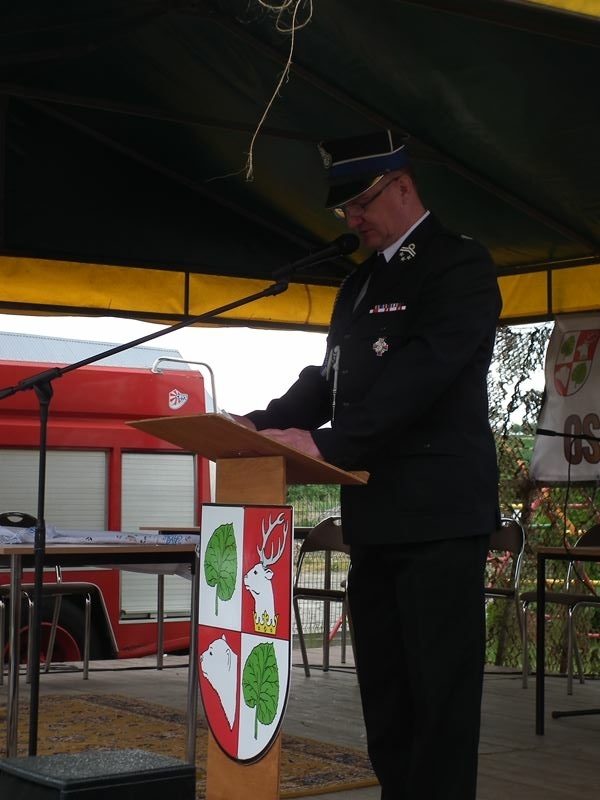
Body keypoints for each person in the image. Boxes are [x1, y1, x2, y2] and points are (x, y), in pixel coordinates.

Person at [232, 130, 502, 800]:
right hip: (375, 519)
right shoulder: (358, 283)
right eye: (344, 209)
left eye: (360, 203)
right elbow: (327, 379)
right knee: (386, 697)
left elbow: (421, 374)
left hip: (439, 521)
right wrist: (257, 424)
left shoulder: (458, 265)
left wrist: (328, 443)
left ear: (401, 185)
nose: (351, 219)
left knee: (440, 701)